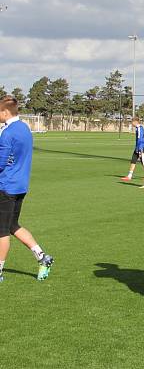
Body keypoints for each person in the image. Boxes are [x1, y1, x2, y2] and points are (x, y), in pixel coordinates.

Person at [0, 96, 54, 283]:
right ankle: (42, 257)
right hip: (20, 185)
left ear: (5, 112)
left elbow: (1, 162)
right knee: (13, 225)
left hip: (6, 186)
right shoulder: (24, 128)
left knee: (1, 232)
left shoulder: (7, 132)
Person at [121, 117, 144, 182]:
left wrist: (140, 149)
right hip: (137, 148)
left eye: (132, 122)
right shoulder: (138, 128)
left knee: (143, 162)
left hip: (140, 148)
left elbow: (140, 139)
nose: (131, 123)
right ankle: (129, 176)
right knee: (133, 160)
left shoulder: (139, 128)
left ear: (135, 122)